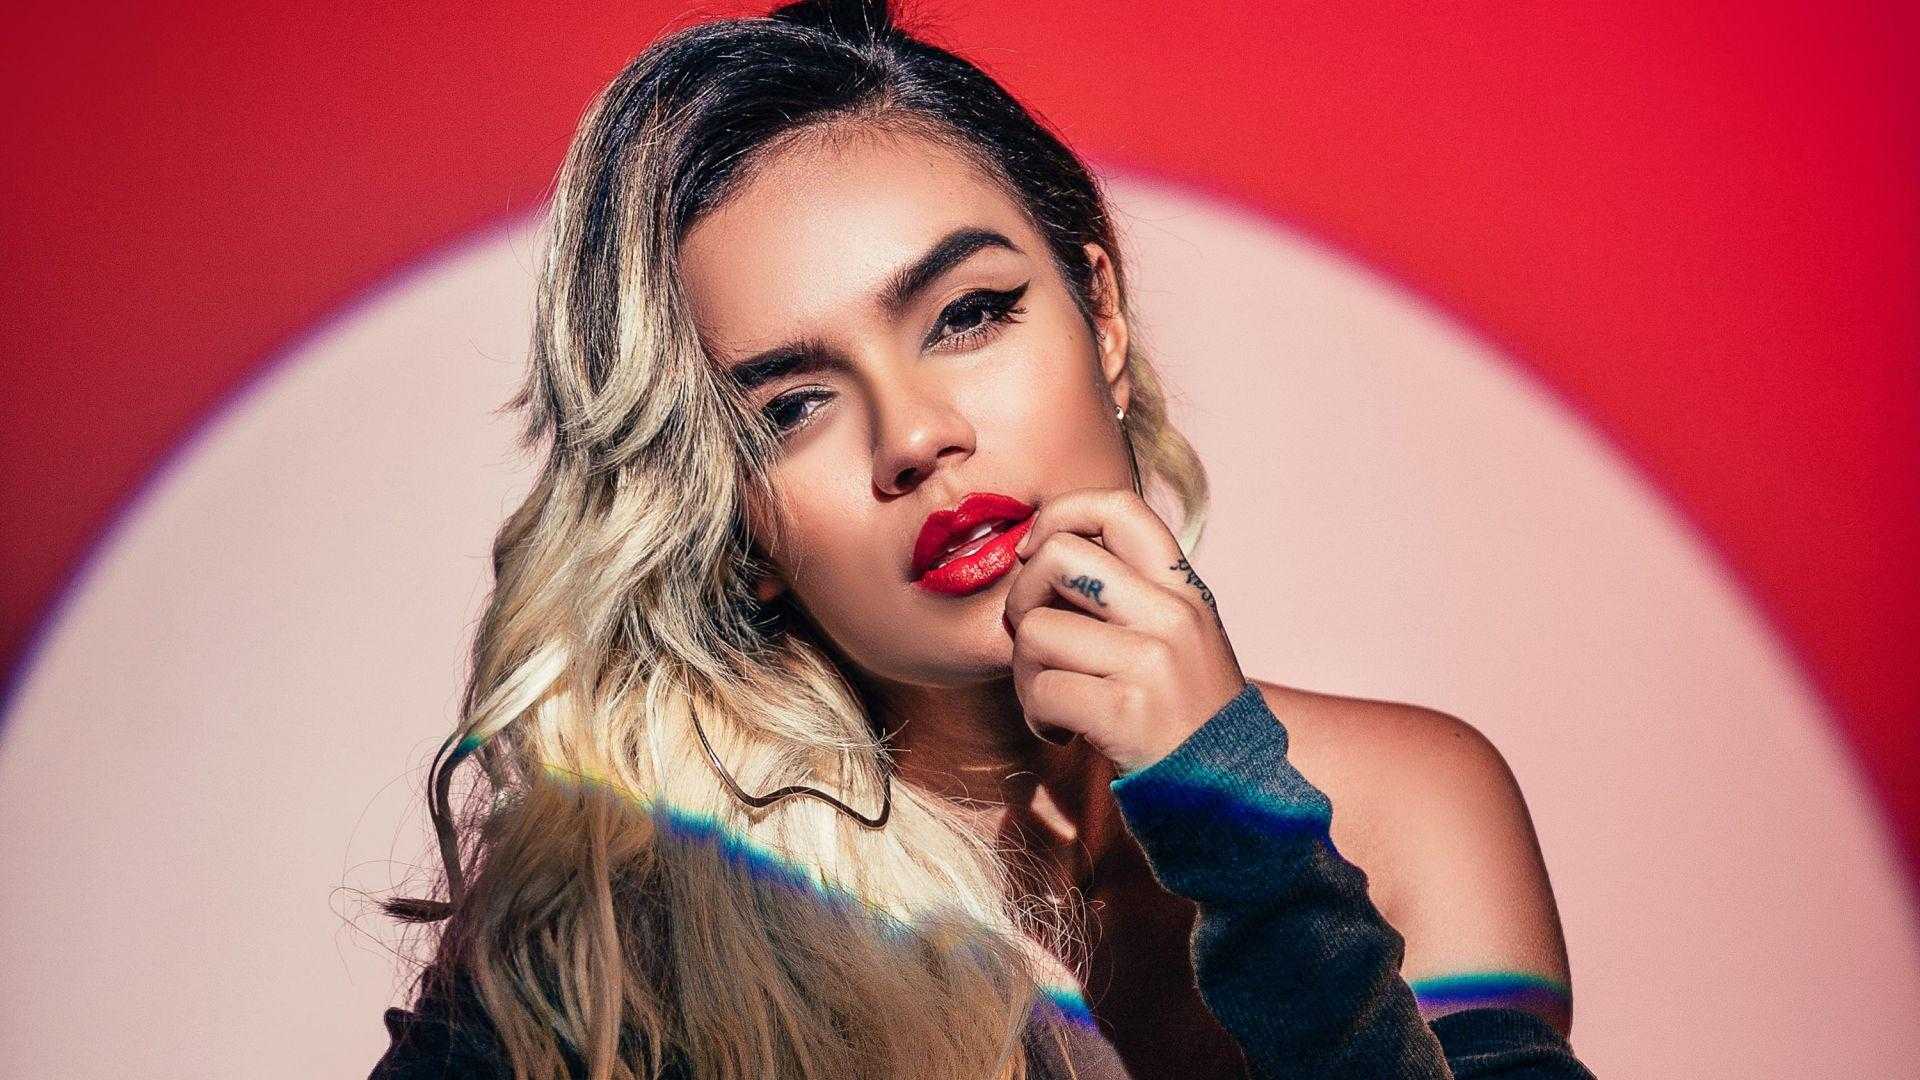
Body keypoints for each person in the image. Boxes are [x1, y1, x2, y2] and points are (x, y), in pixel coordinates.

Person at [368, 1, 1597, 1077]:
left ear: (1101, 318)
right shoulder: (632, 912)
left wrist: (1239, 824)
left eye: (967, 315)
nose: (914, 436)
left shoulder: (1409, 805)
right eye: (790, 409)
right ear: (728, 521)